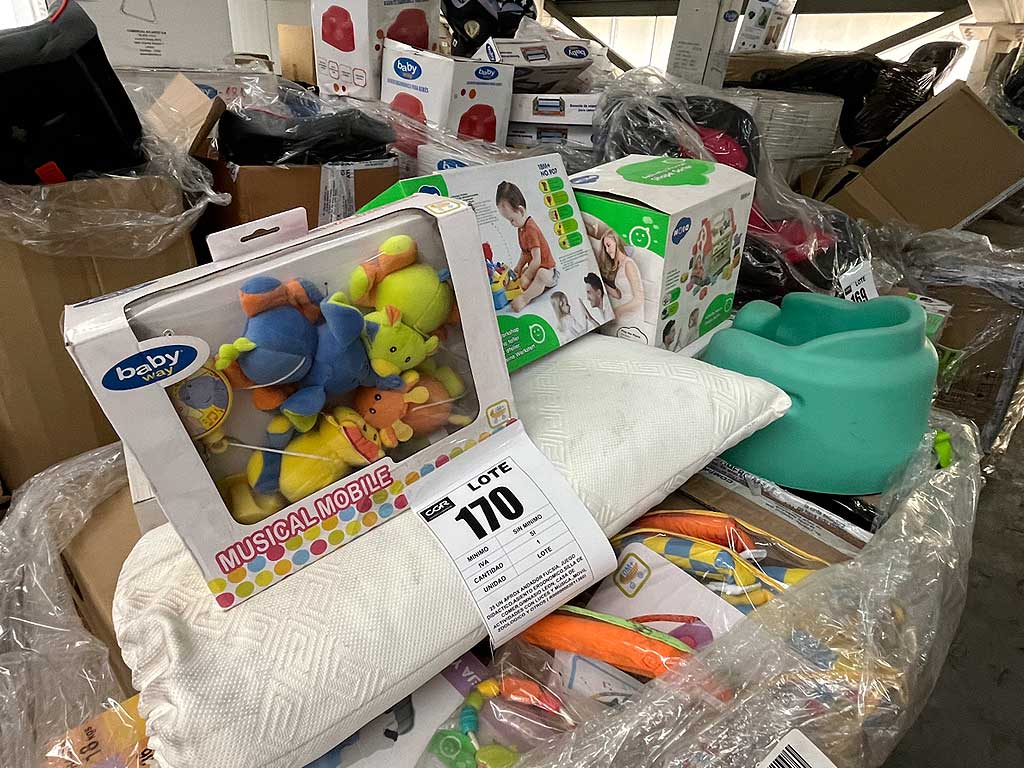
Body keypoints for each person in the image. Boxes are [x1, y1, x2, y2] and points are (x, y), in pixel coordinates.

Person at [495, 181, 557, 313]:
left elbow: (537, 260)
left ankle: (524, 298)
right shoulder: (521, 228)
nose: (511, 223)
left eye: (512, 219)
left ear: (521, 210)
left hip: (548, 271)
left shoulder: (531, 229)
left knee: (540, 275)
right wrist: (519, 267)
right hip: (536, 267)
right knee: (522, 275)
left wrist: (528, 276)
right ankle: (526, 288)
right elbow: (525, 253)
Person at [598, 228, 644, 326]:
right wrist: (601, 283)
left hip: (631, 314)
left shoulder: (629, 264)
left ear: (617, 242)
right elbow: (619, 295)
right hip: (623, 311)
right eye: (605, 247)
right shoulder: (619, 265)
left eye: (608, 245)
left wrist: (618, 311)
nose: (607, 250)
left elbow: (639, 299)